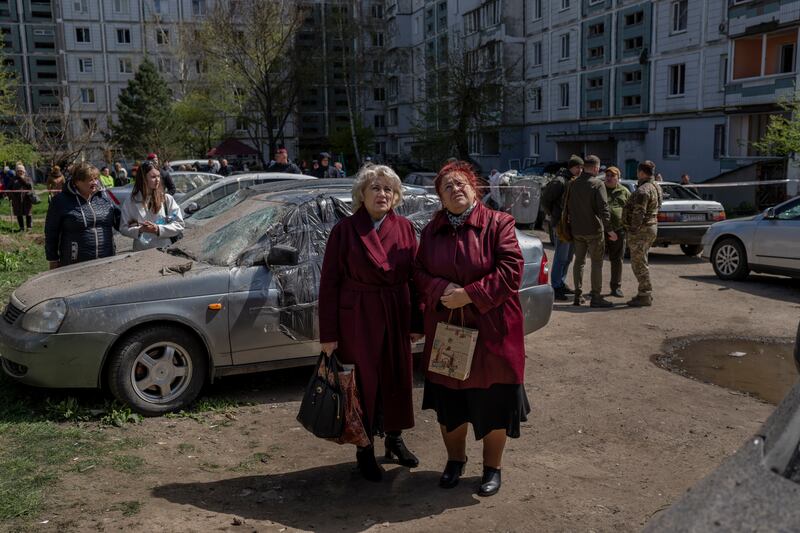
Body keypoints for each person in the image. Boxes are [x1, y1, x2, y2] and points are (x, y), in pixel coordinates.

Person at [414, 160, 530, 498]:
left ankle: (492, 468)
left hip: (494, 334)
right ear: (440, 197)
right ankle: (455, 460)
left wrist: (469, 295)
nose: (456, 189)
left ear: (474, 188)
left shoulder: (499, 223)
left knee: (494, 404)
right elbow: (418, 272)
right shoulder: (431, 230)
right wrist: (441, 291)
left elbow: (511, 270)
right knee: (451, 405)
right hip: (449, 332)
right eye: (447, 186)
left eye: (461, 183)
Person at [318, 164, 421, 482]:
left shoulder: (404, 228)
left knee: (396, 377)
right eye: (375, 188)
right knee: (362, 383)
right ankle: (364, 448)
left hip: (395, 310)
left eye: (389, 189)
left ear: (397, 196)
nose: (382, 194)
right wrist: (329, 333)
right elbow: (329, 283)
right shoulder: (345, 230)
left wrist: (417, 321)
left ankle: (394, 439)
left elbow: (416, 278)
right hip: (357, 315)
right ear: (361, 194)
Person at [44, 163, 119, 269]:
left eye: (96, 179)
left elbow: (120, 220)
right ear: (77, 182)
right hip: (75, 263)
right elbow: (51, 232)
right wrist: (53, 259)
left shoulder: (104, 197)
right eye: (90, 180)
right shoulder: (60, 201)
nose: (95, 182)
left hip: (106, 259)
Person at [567, 155, 616, 308]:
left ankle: (578, 295)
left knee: (579, 263)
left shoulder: (573, 184)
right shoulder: (597, 184)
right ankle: (596, 297)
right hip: (594, 230)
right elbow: (604, 209)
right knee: (596, 263)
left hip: (577, 230)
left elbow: (568, 207)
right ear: (595, 168)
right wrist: (610, 230)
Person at [540, 156, 582, 301]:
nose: (580, 170)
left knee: (568, 256)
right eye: (578, 167)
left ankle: (561, 282)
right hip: (561, 224)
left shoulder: (572, 180)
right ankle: (556, 286)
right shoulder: (560, 181)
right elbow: (545, 200)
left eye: (581, 168)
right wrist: (554, 215)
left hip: (570, 224)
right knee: (561, 256)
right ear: (572, 167)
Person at [119, 160, 184, 251]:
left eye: (158, 176)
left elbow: (179, 224)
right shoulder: (130, 201)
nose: (157, 180)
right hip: (141, 252)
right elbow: (123, 228)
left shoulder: (167, 199)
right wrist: (140, 230)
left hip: (165, 250)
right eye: (153, 177)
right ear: (143, 179)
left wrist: (157, 229)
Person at [622, 161, 662, 307]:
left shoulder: (643, 190)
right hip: (651, 227)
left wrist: (632, 230)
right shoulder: (656, 187)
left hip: (642, 230)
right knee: (642, 260)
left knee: (638, 263)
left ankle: (645, 294)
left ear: (641, 172)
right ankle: (644, 293)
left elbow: (639, 213)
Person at [603, 166, 630, 298]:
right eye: (607, 175)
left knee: (617, 260)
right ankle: (595, 289)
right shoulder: (600, 190)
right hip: (601, 230)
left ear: (618, 178)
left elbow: (630, 210)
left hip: (619, 230)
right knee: (597, 260)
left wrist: (627, 226)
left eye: (612, 176)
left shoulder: (624, 191)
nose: (608, 178)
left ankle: (616, 287)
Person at [9, 164, 34, 231]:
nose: (20, 172)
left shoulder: (28, 178)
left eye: (21, 171)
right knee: (18, 213)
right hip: (16, 199)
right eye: (18, 171)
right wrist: (10, 196)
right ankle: (21, 227)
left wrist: (22, 179)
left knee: (28, 213)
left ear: (24, 171)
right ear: (16, 171)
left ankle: (29, 227)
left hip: (27, 198)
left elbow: (30, 186)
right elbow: (9, 188)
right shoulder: (13, 179)